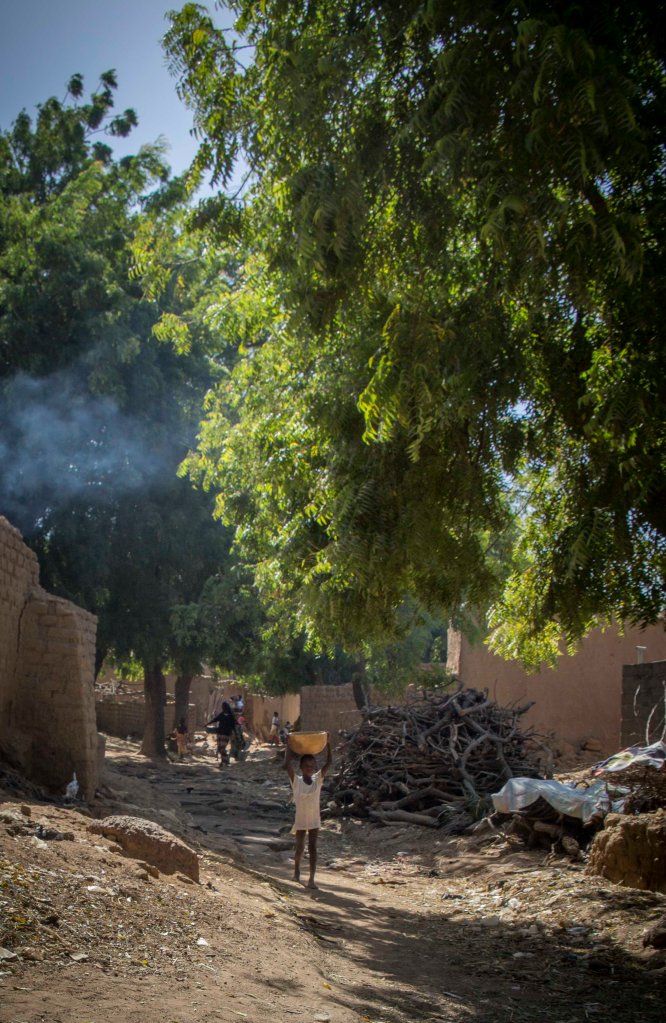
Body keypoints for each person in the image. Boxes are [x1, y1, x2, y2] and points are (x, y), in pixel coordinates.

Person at [284, 738, 332, 889]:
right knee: (299, 848)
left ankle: (311, 879)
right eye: (306, 766)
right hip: (301, 819)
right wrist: (288, 745)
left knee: (313, 848)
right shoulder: (296, 781)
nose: (309, 768)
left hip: (314, 819)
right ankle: (296, 871)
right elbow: (287, 765)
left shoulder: (318, 779)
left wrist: (327, 743)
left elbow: (329, 763)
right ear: (301, 767)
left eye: (312, 766)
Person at [207, 702, 236, 766]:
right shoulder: (222, 714)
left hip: (226, 734)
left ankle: (226, 760)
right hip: (220, 733)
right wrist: (208, 724)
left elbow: (233, 725)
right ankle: (224, 761)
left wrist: (234, 733)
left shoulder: (231, 716)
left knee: (222, 748)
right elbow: (215, 719)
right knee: (220, 748)